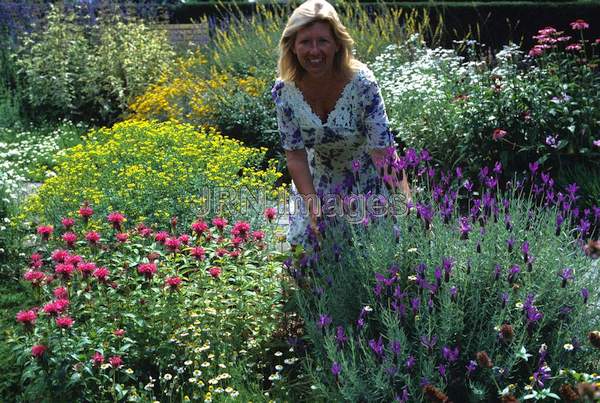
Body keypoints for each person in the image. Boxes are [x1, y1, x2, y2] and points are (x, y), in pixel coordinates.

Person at [272, 0, 410, 249]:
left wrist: (406, 205)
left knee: (374, 263)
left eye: (322, 41)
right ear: (292, 45)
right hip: (316, 184)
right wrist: (313, 207)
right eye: (305, 42)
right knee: (306, 263)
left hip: (366, 184)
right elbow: (295, 156)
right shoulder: (284, 91)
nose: (314, 51)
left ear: (337, 44)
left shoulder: (362, 83)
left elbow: (382, 151)